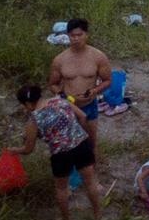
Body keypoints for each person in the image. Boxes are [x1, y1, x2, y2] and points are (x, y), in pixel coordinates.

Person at [13, 84, 101, 220]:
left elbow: (28, 149)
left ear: (29, 104)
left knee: (61, 188)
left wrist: (13, 151)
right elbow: (83, 116)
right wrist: (80, 133)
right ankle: (97, 214)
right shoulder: (61, 101)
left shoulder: (33, 120)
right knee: (90, 182)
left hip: (60, 154)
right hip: (81, 144)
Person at [48, 18, 111, 148]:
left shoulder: (98, 56)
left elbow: (108, 81)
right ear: (68, 36)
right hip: (69, 106)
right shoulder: (60, 60)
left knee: (91, 141)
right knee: (69, 142)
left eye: (79, 35)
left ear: (86, 35)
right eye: (72, 35)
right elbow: (53, 84)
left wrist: (95, 91)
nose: (76, 39)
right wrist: (61, 95)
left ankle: (92, 165)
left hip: (89, 104)